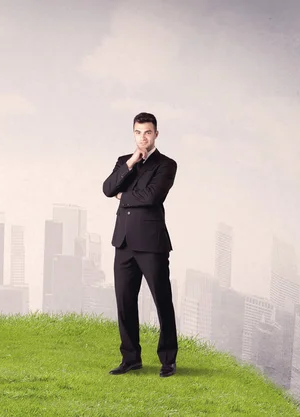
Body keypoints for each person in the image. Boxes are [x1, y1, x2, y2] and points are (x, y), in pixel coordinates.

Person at [102, 112, 179, 378]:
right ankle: (131, 358)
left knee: (162, 302)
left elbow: (151, 196)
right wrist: (132, 162)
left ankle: (168, 360)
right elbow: (107, 188)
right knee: (124, 303)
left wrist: (122, 195)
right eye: (138, 132)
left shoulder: (167, 164)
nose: (142, 137)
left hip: (151, 244)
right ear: (133, 133)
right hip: (123, 242)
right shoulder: (125, 161)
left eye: (147, 132)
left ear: (156, 134)